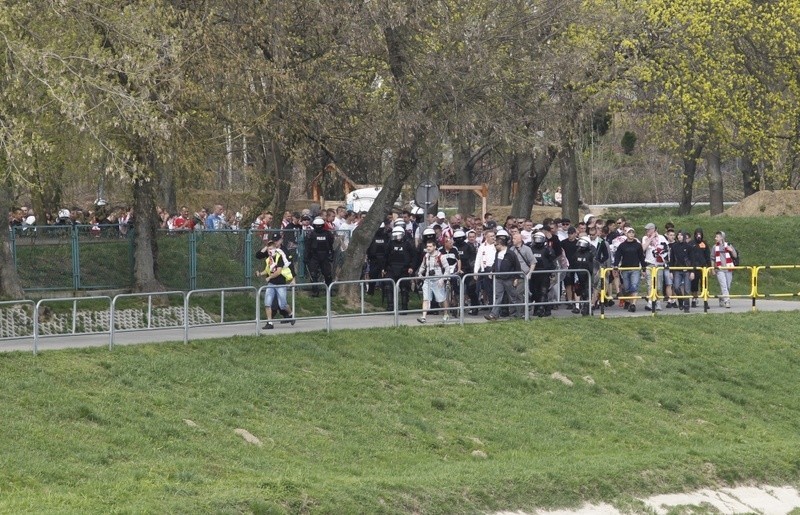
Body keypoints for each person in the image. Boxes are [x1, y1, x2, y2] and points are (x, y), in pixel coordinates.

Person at [255, 237, 295, 329]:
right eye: (268, 249)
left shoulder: (279, 256)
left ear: (275, 249)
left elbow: (278, 271)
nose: (270, 251)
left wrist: (270, 277)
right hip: (271, 284)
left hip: (280, 283)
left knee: (282, 304)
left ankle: (291, 314)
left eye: (271, 249)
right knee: (267, 303)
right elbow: (267, 270)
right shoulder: (269, 259)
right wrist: (260, 273)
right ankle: (270, 323)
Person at [484, 229, 522, 321]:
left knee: (513, 297)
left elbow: (517, 266)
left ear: (501, 244)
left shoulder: (510, 254)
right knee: (498, 297)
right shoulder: (498, 253)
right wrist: (492, 271)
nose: (495, 246)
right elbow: (495, 263)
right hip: (498, 278)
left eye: (496, 245)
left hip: (508, 279)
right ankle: (494, 315)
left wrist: (516, 278)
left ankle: (519, 313)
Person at [416, 240, 450, 323]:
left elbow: (447, 268)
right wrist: (420, 274)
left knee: (441, 299)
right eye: (427, 246)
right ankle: (423, 317)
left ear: (435, 247)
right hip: (428, 280)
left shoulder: (441, 256)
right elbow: (422, 266)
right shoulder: (426, 256)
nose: (428, 248)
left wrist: (443, 279)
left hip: (438, 280)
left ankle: (445, 314)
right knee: (426, 299)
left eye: (430, 246)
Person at [613, 227, 646, 312]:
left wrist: (643, 268)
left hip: (635, 269)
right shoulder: (622, 245)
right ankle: (628, 301)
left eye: (633, 232)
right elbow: (617, 256)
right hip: (625, 269)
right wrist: (616, 266)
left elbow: (641, 257)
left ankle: (633, 304)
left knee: (634, 286)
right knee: (627, 287)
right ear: (626, 234)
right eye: (629, 232)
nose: (631, 234)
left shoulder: (638, 245)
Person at [386, 226, 415, 312]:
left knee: (404, 288)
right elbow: (386, 256)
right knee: (389, 287)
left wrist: (411, 267)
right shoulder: (390, 243)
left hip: (404, 269)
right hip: (391, 268)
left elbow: (413, 256)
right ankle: (390, 306)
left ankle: (404, 307)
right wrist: (384, 268)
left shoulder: (408, 244)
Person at [641, 222, 669, 311]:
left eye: (648, 230)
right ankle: (650, 302)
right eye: (646, 230)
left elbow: (666, 249)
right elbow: (643, 248)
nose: (647, 231)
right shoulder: (645, 238)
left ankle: (657, 301)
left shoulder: (661, 238)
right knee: (650, 284)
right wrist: (651, 238)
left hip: (659, 264)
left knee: (658, 285)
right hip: (650, 263)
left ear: (653, 229)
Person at [305, 216, 334, 296]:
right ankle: (315, 292)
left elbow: (331, 245)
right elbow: (308, 247)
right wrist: (307, 257)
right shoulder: (311, 234)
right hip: (315, 257)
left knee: (327, 274)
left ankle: (329, 291)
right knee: (314, 275)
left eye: (319, 225)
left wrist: (331, 254)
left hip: (324, 257)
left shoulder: (327, 234)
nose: (318, 227)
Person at [571, 237, 597, 315]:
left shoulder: (590, 254)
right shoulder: (576, 253)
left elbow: (593, 266)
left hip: (587, 276)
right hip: (578, 276)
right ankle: (578, 306)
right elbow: (573, 263)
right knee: (578, 292)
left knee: (588, 292)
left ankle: (588, 308)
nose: (581, 246)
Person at [712, 230, 737, 308]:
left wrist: (731, 250)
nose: (715, 238)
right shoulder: (714, 247)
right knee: (724, 285)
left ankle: (721, 297)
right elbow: (712, 258)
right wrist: (713, 269)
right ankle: (727, 301)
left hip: (728, 268)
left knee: (728, 286)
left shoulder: (728, 245)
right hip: (720, 269)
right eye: (716, 237)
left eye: (717, 237)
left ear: (722, 237)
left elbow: (735, 256)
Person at [689, 228, 712, 308]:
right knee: (694, 285)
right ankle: (694, 300)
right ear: (695, 235)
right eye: (697, 234)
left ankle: (705, 301)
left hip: (703, 268)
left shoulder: (704, 244)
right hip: (694, 267)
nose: (699, 236)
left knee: (704, 284)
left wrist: (710, 268)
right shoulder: (691, 243)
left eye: (700, 234)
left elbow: (707, 256)